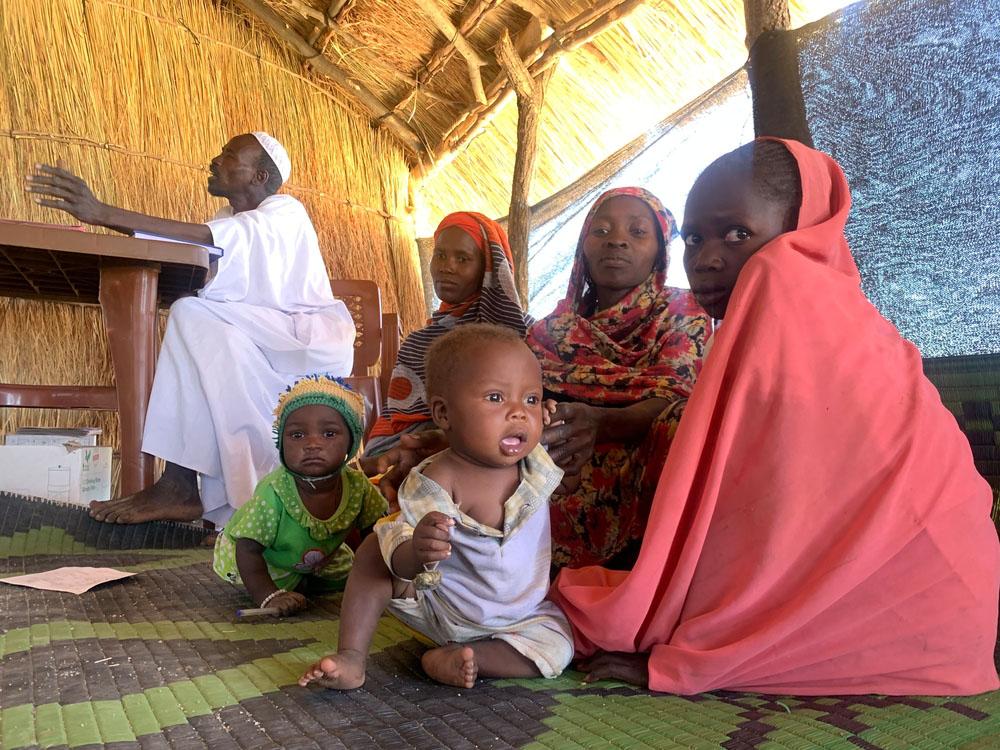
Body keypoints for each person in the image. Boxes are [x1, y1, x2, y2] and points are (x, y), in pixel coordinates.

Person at [551, 138, 1000, 696]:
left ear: (800, 229)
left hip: (905, 599)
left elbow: (788, 524)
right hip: (952, 615)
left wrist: (694, 659)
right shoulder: (822, 309)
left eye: (737, 234)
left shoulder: (787, 294)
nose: (707, 258)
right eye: (694, 238)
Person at [24, 133, 355, 526]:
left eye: (229, 156)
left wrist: (103, 213)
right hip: (255, 333)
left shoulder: (286, 211)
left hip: (301, 340)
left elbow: (209, 243)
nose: (214, 160)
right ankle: (188, 488)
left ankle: (184, 487)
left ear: (260, 175)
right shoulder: (224, 221)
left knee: (191, 316)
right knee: (193, 323)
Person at [299, 324, 573, 690]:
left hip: (521, 617)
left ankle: (461, 659)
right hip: (443, 608)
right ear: (444, 414)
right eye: (495, 398)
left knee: (560, 647)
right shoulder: (436, 480)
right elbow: (405, 560)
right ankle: (351, 655)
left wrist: (547, 413)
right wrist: (417, 551)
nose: (518, 414)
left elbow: (553, 425)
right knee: (374, 551)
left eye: (531, 399)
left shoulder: (533, 462)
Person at [526, 188, 711, 569]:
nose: (617, 240)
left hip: (642, 471)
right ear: (584, 244)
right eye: (602, 230)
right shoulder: (550, 331)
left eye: (637, 232)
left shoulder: (682, 312)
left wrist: (603, 423)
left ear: (660, 252)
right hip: (553, 466)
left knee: (679, 425)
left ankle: (643, 579)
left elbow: (677, 397)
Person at [360, 211, 531, 501]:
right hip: (408, 459)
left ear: (488, 269)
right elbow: (391, 426)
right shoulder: (418, 342)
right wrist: (390, 454)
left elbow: (523, 421)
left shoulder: (519, 337)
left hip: (487, 471)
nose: (446, 268)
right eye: (439, 255)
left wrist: (444, 446)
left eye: (462, 259)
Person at [213, 376, 388, 615]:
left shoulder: (358, 486)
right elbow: (247, 548)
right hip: (265, 560)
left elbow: (375, 533)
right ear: (281, 444)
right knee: (277, 582)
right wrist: (268, 596)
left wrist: (377, 579)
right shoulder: (274, 492)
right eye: (297, 435)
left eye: (329, 434)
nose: (313, 444)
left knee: (350, 574)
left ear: (351, 442)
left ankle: (303, 578)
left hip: (319, 559)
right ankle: (286, 583)